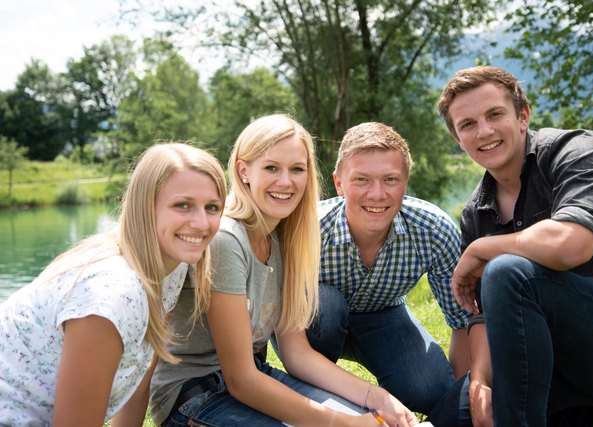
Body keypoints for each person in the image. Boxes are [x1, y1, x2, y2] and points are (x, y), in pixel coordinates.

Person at [150, 114, 422, 427]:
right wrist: (339, 424)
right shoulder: (226, 240)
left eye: (297, 169)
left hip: (253, 378)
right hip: (196, 398)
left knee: (373, 420)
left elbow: (297, 354)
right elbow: (240, 379)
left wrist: (376, 398)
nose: (285, 182)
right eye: (271, 168)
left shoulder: (284, 238)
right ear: (244, 171)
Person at [433, 65, 593, 426]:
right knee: (454, 416)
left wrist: (483, 248)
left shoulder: (578, 151)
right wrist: (481, 380)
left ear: (523, 115)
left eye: (495, 114)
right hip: (548, 357)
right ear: (457, 138)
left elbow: (569, 244)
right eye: (467, 124)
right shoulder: (475, 212)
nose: (484, 131)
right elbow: (481, 311)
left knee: (509, 270)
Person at [0, 142, 227, 426]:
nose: (202, 223)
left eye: (212, 207)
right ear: (145, 207)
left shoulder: (173, 265)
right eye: (183, 205)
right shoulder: (112, 296)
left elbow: (140, 374)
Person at [304, 121, 470, 416]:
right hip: (314, 322)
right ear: (339, 183)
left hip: (382, 314)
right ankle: (320, 393)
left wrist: (462, 400)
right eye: (362, 180)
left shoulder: (433, 229)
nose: (377, 194)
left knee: (430, 389)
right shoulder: (307, 231)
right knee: (327, 304)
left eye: (390, 180)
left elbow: (462, 321)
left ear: (406, 182)